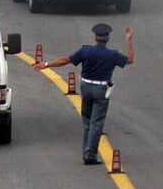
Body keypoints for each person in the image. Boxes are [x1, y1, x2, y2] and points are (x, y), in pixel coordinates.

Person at [35, 23, 135, 165]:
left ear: (95, 37)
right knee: (96, 123)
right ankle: (90, 155)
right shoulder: (112, 54)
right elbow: (130, 60)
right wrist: (129, 40)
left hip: (85, 87)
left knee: (87, 121)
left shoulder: (85, 51)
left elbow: (66, 60)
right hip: (101, 90)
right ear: (108, 38)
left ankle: (86, 152)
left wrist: (46, 65)